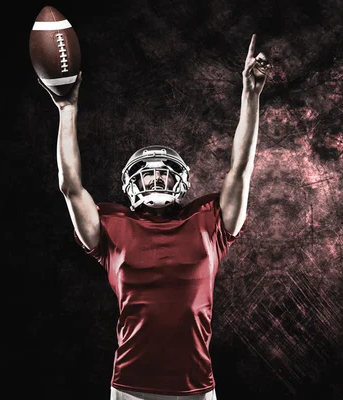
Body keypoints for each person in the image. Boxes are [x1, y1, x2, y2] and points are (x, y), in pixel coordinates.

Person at [39, 34, 270, 400]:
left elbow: (240, 170)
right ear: (133, 183)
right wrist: (67, 110)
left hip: (197, 386)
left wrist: (250, 96)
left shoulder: (209, 221)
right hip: (130, 386)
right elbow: (70, 186)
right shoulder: (111, 226)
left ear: (179, 180)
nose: (157, 178)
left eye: (164, 172)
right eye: (148, 173)